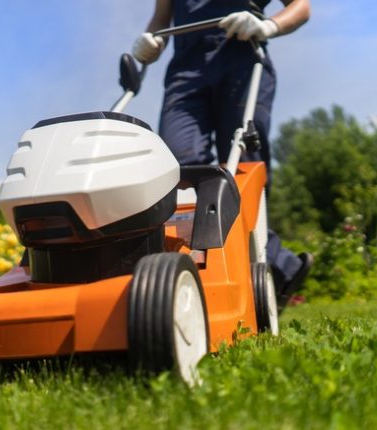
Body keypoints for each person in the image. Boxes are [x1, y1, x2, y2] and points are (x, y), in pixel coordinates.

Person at [132, 0, 313, 311]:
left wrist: (268, 25)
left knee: (243, 169)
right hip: (186, 74)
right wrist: (150, 40)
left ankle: (256, 272)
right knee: (182, 169)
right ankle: (276, 267)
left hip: (242, 60)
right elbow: (161, 19)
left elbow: (301, 6)